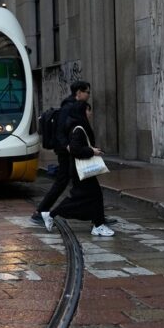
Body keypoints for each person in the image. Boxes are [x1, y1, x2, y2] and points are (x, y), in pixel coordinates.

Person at [30, 81, 115, 225]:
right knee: (67, 183)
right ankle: (44, 212)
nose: (88, 95)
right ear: (79, 93)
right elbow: (60, 131)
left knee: (81, 186)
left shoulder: (75, 107)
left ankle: (98, 217)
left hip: (73, 151)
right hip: (68, 153)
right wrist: (68, 146)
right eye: (87, 92)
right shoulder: (68, 108)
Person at [41, 101, 114, 236]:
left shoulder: (76, 126)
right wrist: (92, 152)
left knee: (94, 196)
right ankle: (51, 214)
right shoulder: (79, 128)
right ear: (82, 112)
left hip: (78, 170)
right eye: (88, 110)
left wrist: (91, 149)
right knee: (80, 198)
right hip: (80, 170)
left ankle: (98, 224)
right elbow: (75, 149)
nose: (90, 113)